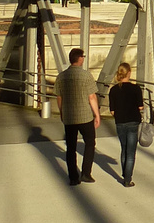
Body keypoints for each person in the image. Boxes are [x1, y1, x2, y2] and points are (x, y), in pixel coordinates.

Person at [54, 47, 100, 185]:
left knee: (71, 147)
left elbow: (59, 97)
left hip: (69, 117)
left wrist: (62, 112)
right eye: (83, 56)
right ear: (80, 59)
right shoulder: (86, 75)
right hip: (85, 116)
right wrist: (97, 115)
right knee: (90, 143)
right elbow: (91, 97)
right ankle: (86, 173)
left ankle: (73, 177)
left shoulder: (61, 76)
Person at [108, 62, 143, 187]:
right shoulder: (136, 88)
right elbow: (140, 106)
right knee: (131, 152)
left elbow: (112, 111)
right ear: (129, 73)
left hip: (120, 122)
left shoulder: (113, 90)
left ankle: (124, 173)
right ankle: (128, 179)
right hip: (133, 121)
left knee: (124, 149)